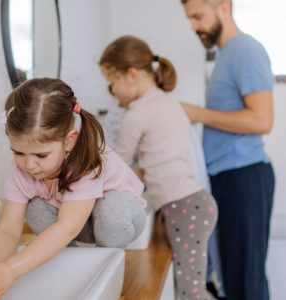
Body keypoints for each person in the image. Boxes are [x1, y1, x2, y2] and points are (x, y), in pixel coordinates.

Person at [0, 77, 147, 300]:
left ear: (68, 141)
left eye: (41, 155)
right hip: (81, 222)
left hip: (121, 217)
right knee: (36, 208)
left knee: (110, 210)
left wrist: (11, 270)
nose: (29, 165)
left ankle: (105, 262)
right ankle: (74, 262)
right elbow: (9, 228)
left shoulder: (86, 160)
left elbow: (67, 227)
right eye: (18, 152)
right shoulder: (21, 171)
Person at [99, 35, 218, 300]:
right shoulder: (169, 103)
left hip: (185, 206)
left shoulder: (137, 114)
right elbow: (157, 160)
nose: (113, 90)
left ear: (131, 74)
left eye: (112, 81)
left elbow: (118, 165)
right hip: (192, 203)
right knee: (191, 288)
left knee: (189, 292)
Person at [180, 1, 275, 300]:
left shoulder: (244, 50)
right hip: (228, 178)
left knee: (245, 283)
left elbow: (262, 119)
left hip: (243, 177)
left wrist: (197, 113)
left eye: (198, 17)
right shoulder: (225, 55)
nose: (194, 26)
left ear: (222, 6)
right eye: (190, 19)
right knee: (234, 281)